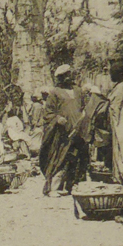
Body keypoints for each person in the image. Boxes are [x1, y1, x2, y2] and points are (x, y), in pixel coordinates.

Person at [39, 64, 86, 196]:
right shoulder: (55, 92)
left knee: (75, 158)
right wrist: (57, 118)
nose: (68, 77)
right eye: (64, 76)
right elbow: (48, 113)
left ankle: (71, 185)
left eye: (69, 74)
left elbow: (83, 107)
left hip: (77, 130)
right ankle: (53, 188)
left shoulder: (78, 91)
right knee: (59, 158)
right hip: (62, 132)